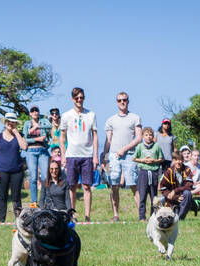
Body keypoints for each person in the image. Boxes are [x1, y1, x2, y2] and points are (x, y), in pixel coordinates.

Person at [102, 91, 142, 222]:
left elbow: (139, 138)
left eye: (124, 100)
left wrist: (125, 149)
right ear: (116, 102)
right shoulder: (111, 120)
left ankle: (142, 216)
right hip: (114, 156)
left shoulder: (135, 117)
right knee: (114, 186)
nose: (122, 102)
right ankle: (115, 215)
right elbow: (108, 140)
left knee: (133, 185)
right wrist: (104, 157)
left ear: (128, 101)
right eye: (119, 100)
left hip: (130, 155)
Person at [61, 87, 98, 221]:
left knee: (87, 186)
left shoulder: (91, 114)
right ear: (72, 99)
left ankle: (88, 216)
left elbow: (95, 135)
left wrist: (95, 156)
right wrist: (63, 155)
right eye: (77, 98)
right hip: (71, 155)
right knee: (72, 185)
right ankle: (72, 214)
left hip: (87, 155)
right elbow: (62, 137)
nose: (79, 100)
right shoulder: (66, 115)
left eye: (81, 97)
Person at [0, 112, 29, 223]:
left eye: (12, 122)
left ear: (15, 124)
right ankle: (1, 221)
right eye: (8, 121)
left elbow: (25, 147)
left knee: (16, 197)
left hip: (17, 171)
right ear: (5, 122)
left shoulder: (20, 135)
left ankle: (19, 221)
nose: (10, 124)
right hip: (2, 171)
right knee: (2, 197)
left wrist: (17, 133)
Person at [133, 127, 165, 219]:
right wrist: (143, 160)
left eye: (150, 135)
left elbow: (161, 158)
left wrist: (154, 160)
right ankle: (142, 217)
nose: (148, 137)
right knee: (142, 196)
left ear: (153, 136)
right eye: (146, 135)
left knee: (154, 196)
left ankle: (153, 216)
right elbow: (134, 158)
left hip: (154, 172)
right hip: (143, 172)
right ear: (143, 136)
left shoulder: (157, 146)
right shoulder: (140, 146)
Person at [23, 105, 50, 205]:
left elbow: (49, 126)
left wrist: (39, 126)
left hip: (42, 150)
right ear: (30, 113)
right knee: (33, 177)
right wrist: (37, 138)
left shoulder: (43, 121)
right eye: (32, 111)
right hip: (31, 151)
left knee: (45, 176)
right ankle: (34, 201)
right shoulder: (27, 123)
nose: (35, 112)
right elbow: (25, 138)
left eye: (36, 110)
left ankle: (45, 200)